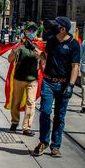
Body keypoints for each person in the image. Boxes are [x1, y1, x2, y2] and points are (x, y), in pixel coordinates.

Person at [33, 16, 80, 158]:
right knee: (45, 112)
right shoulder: (52, 41)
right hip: (48, 82)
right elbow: (45, 59)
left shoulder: (73, 44)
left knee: (60, 116)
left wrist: (71, 85)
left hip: (64, 83)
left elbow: (75, 66)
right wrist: (38, 54)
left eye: (56, 25)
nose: (53, 27)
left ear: (63, 29)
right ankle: (43, 142)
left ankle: (55, 146)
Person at [8, 22, 43, 136]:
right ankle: (14, 122)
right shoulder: (20, 44)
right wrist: (16, 47)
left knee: (30, 102)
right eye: (30, 30)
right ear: (25, 31)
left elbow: (43, 59)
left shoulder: (39, 45)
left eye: (34, 30)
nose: (32, 32)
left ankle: (26, 127)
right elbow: (10, 59)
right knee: (16, 101)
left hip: (33, 79)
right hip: (19, 78)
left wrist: (34, 48)